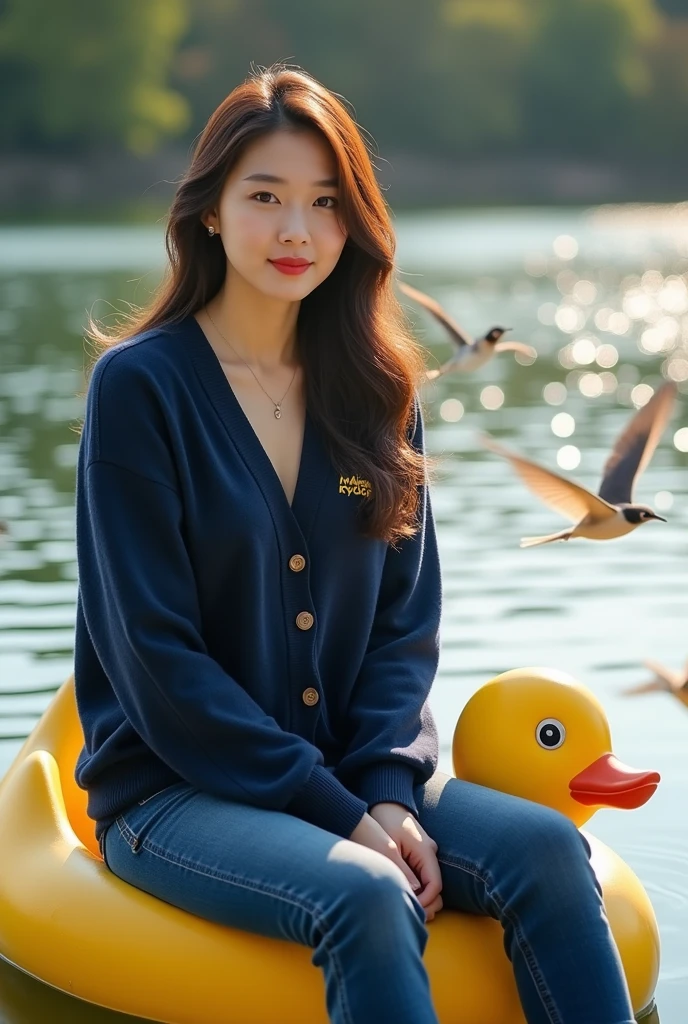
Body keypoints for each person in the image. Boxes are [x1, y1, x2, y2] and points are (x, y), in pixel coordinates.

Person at [73, 64, 637, 1024]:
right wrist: (348, 819)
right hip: (175, 790)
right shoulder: (141, 389)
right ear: (210, 211)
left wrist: (387, 792)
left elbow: (402, 628)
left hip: (352, 769)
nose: (297, 231)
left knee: (547, 848)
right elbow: (158, 663)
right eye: (266, 198)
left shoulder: (381, 391)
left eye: (326, 203)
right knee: (369, 895)